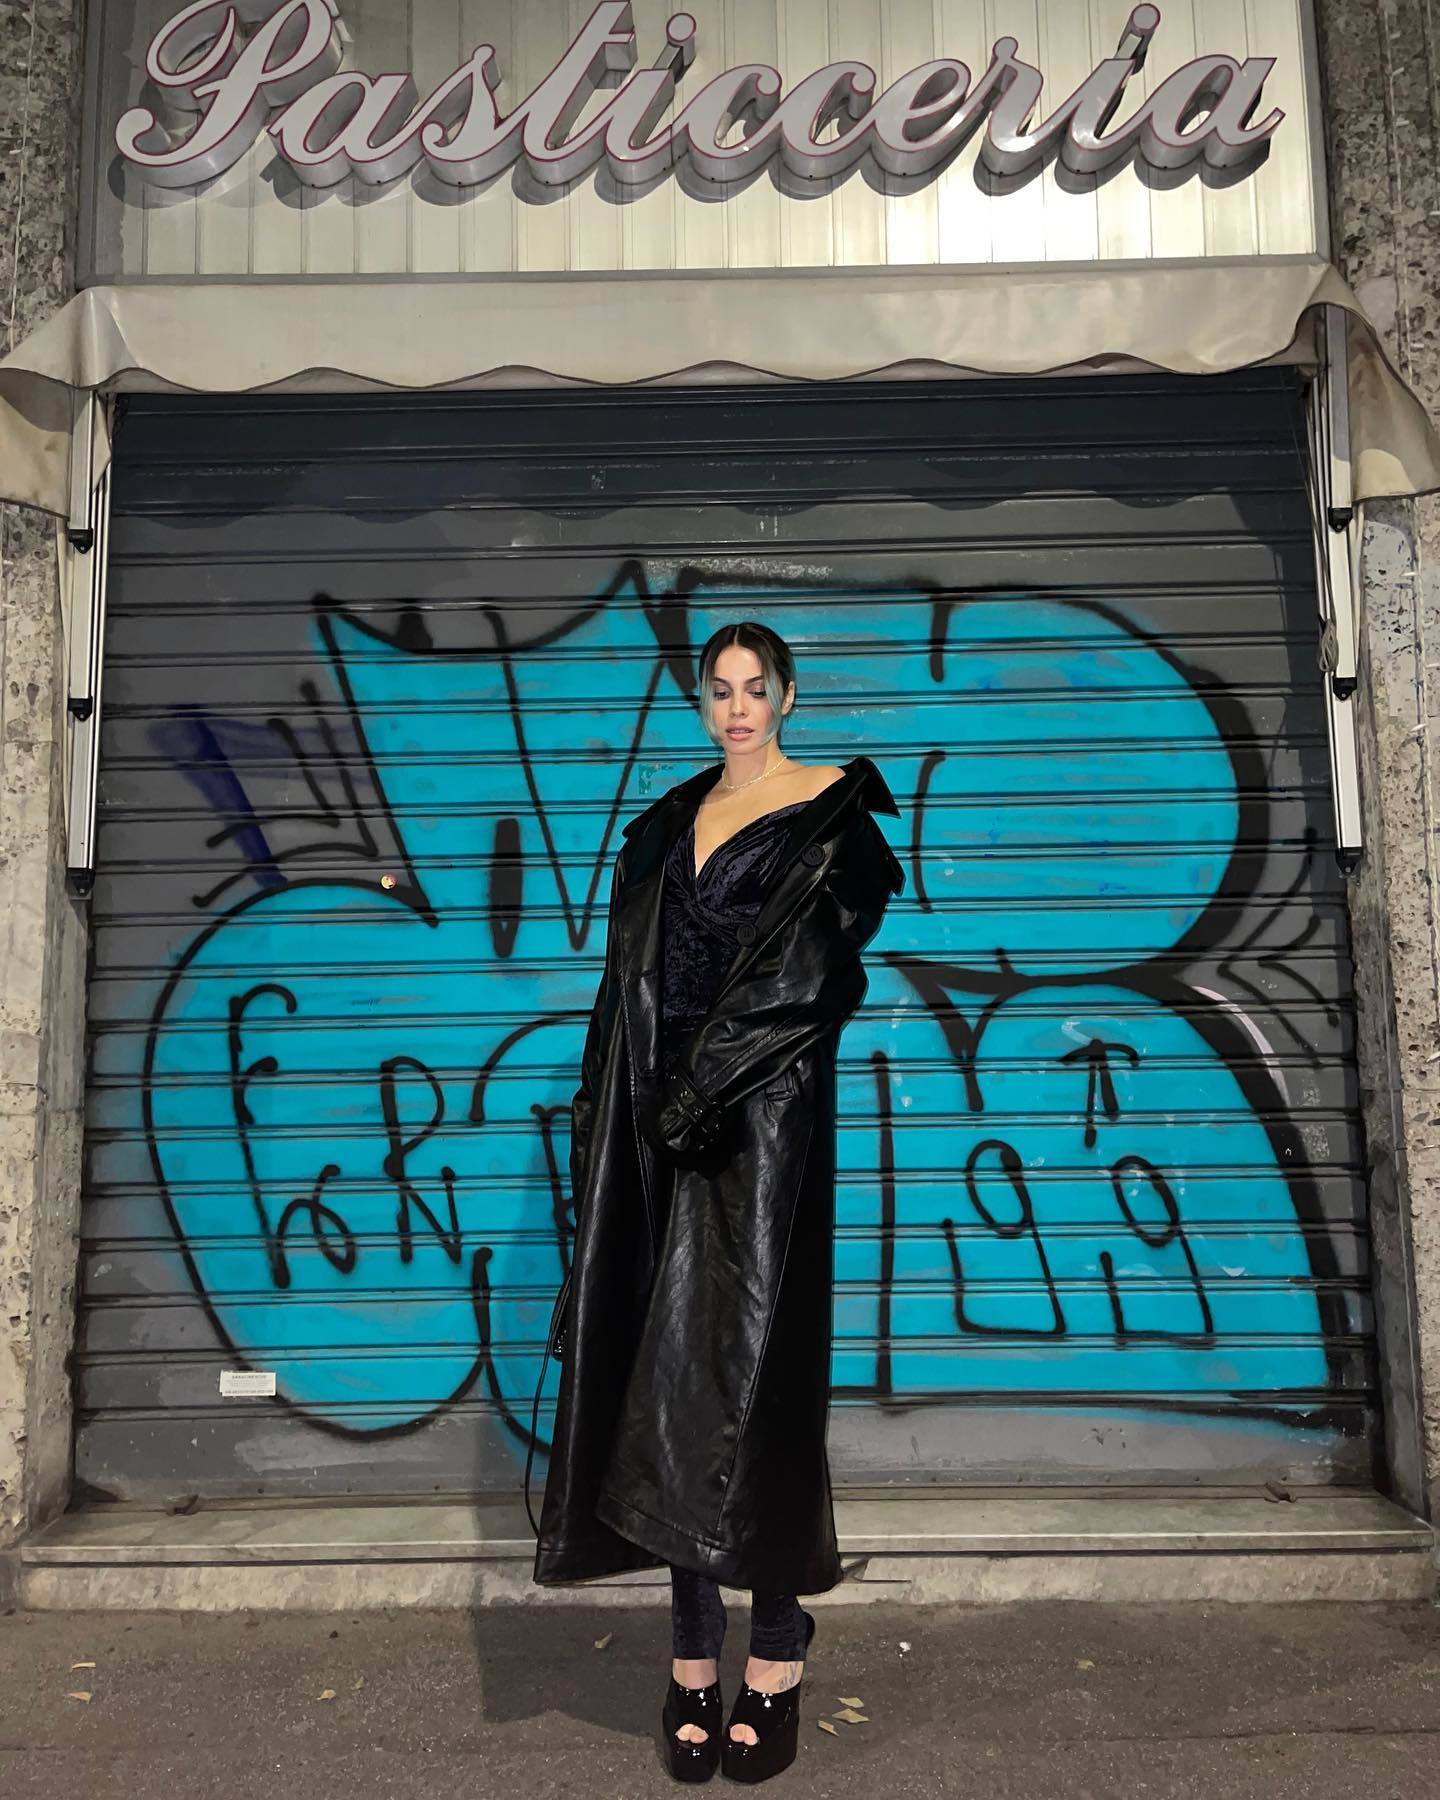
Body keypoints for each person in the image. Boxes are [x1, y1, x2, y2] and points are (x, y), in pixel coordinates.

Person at [528, 620, 905, 1783]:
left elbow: (810, 981)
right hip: (652, 1129)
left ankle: (777, 1652)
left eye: (756, 688)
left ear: (789, 695)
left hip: (762, 1130)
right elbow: (623, 986)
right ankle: (693, 1655)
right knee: (662, 1392)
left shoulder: (834, 817)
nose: (738, 708)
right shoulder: (665, 823)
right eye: (720, 691)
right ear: (701, 704)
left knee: (756, 1393)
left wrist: (707, 1085)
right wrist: (607, 1110)